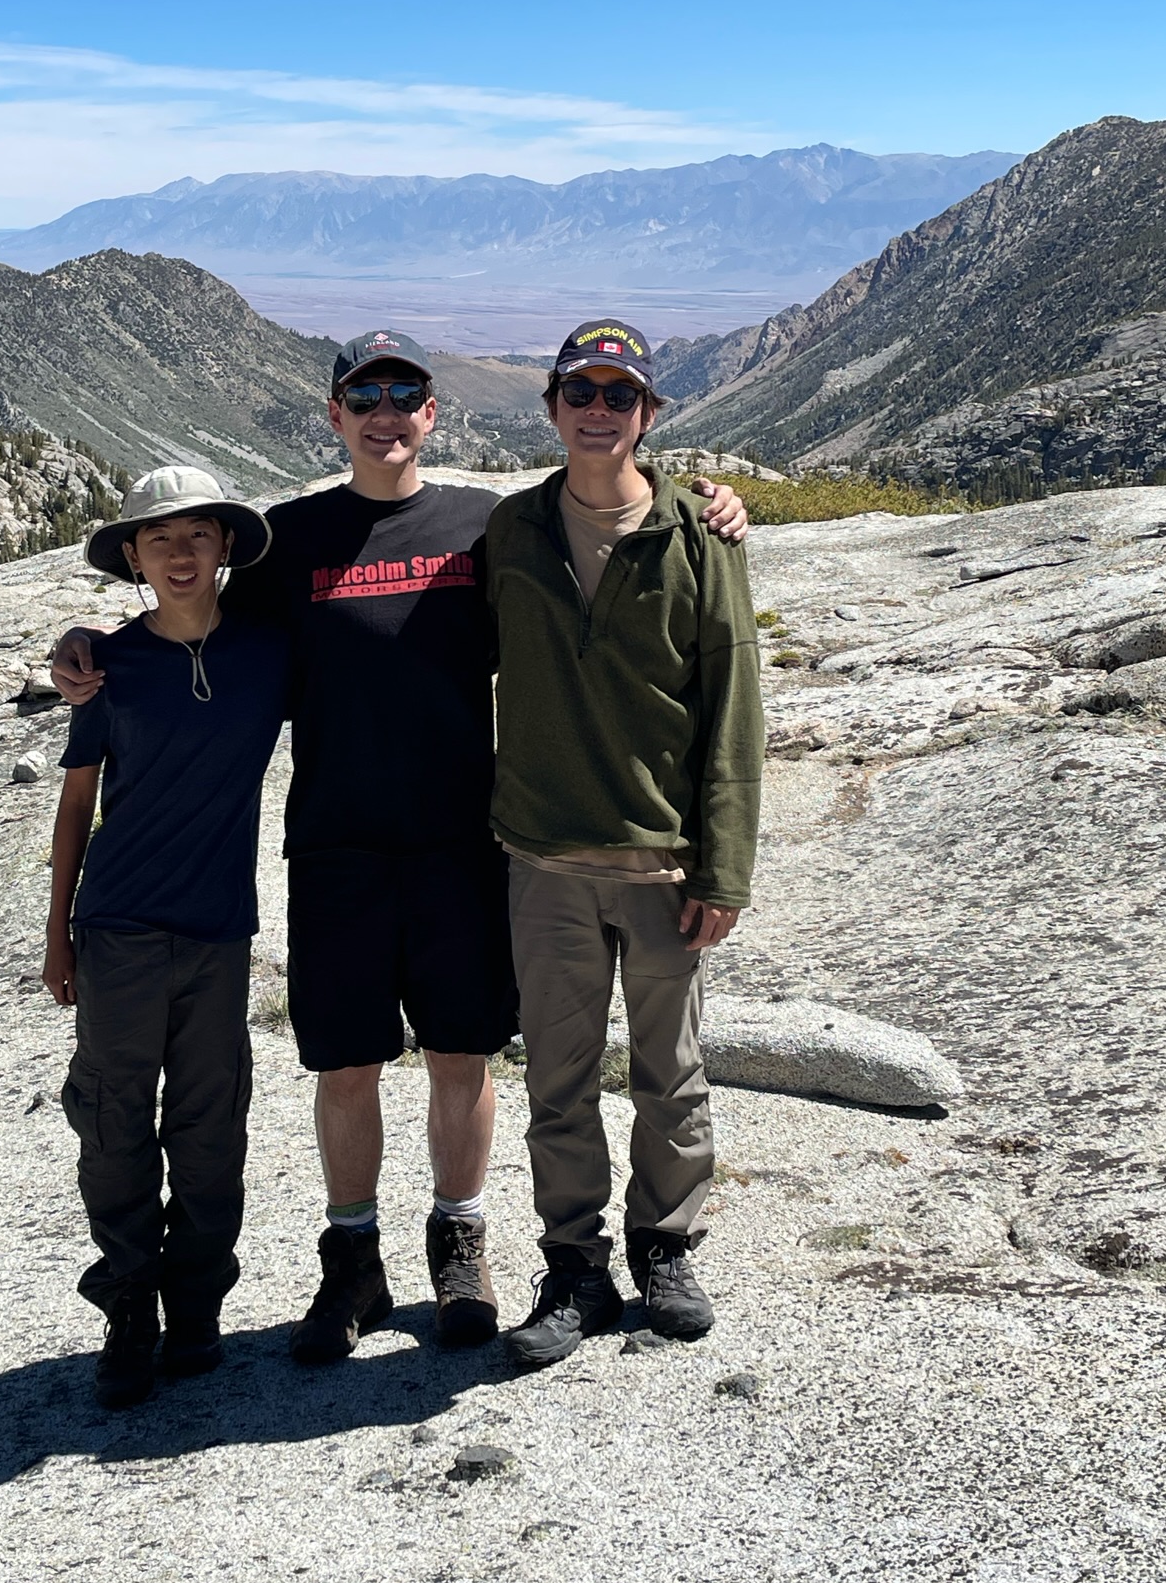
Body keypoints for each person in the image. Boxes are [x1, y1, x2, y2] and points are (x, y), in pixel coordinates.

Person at [50, 330, 751, 1363]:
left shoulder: (487, 525)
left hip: (464, 842)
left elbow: (605, 558)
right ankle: (353, 1261)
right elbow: (192, 616)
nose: (385, 412)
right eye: (364, 395)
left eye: (404, 394)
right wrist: (87, 649)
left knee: (463, 1055)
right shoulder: (289, 542)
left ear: (432, 413)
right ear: (335, 415)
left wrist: (711, 505)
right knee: (347, 1064)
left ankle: (460, 1243)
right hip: (336, 846)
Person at [484, 319, 764, 1370]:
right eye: (581, 392)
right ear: (552, 407)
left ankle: (666, 1246)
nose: (598, 410)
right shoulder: (512, 531)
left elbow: (733, 705)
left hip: (662, 864)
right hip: (545, 860)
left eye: (619, 394)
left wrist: (725, 867)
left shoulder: (701, 535)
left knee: (671, 1073)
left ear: (649, 414)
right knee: (556, 1080)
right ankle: (573, 1266)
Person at [44, 466, 288, 1409]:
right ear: (133, 558)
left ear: (224, 546)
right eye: (159, 538)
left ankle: (194, 1307)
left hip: (220, 932)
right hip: (119, 929)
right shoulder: (107, 666)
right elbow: (77, 805)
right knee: (113, 1125)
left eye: (197, 534)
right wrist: (57, 933)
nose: (180, 553)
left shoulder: (268, 650)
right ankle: (128, 1311)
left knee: (210, 1127)